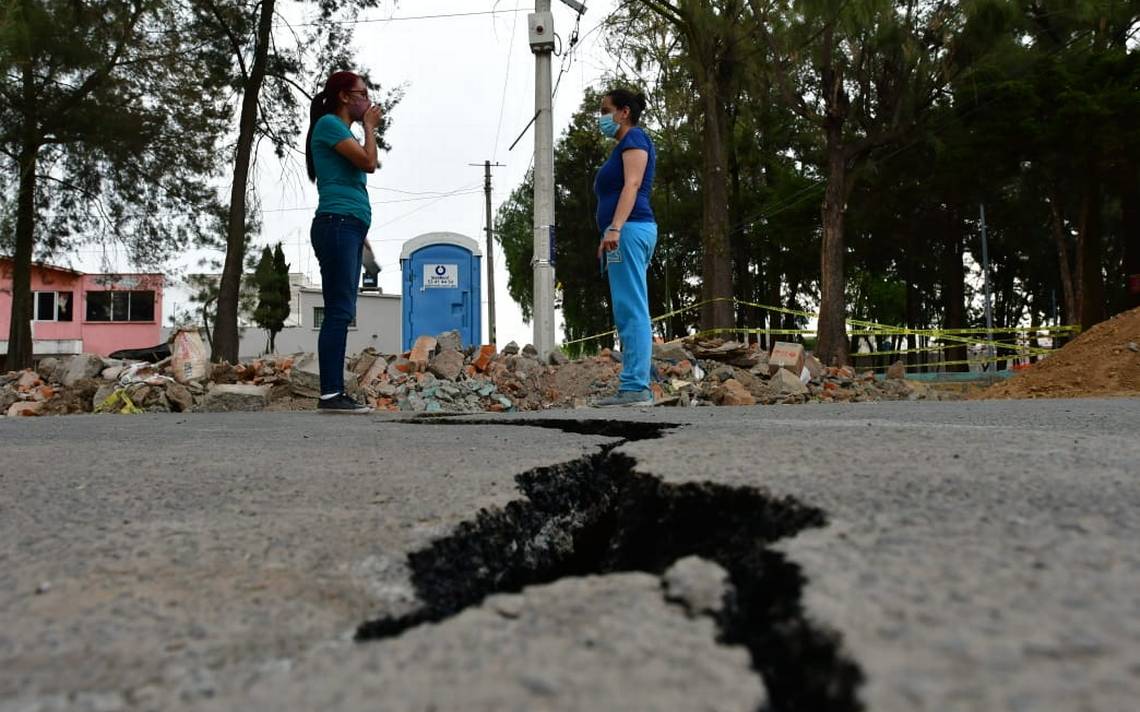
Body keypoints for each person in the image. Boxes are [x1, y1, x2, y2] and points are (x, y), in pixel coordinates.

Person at [304, 71, 382, 413]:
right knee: (338, 311)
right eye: (362, 93)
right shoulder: (329, 126)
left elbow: (363, 167)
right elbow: (369, 163)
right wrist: (370, 127)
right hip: (336, 225)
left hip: (346, 227)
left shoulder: (340, 132)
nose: (367, 98)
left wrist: (362, 238)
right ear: (344, 97)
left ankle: (334, 393)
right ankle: (331, 394)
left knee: (343, 309)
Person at [593, 88, 658, 407]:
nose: (602, 117)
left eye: (606, 110)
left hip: (630, 229)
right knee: (629, 307)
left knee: (631, 309)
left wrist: (616, 227)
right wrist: (607, 233)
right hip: (625, 231)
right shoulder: (624, 145)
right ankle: (635, 382)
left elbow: (632, 184)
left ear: (624, 112)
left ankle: (635, 386)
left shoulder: (634, 140)